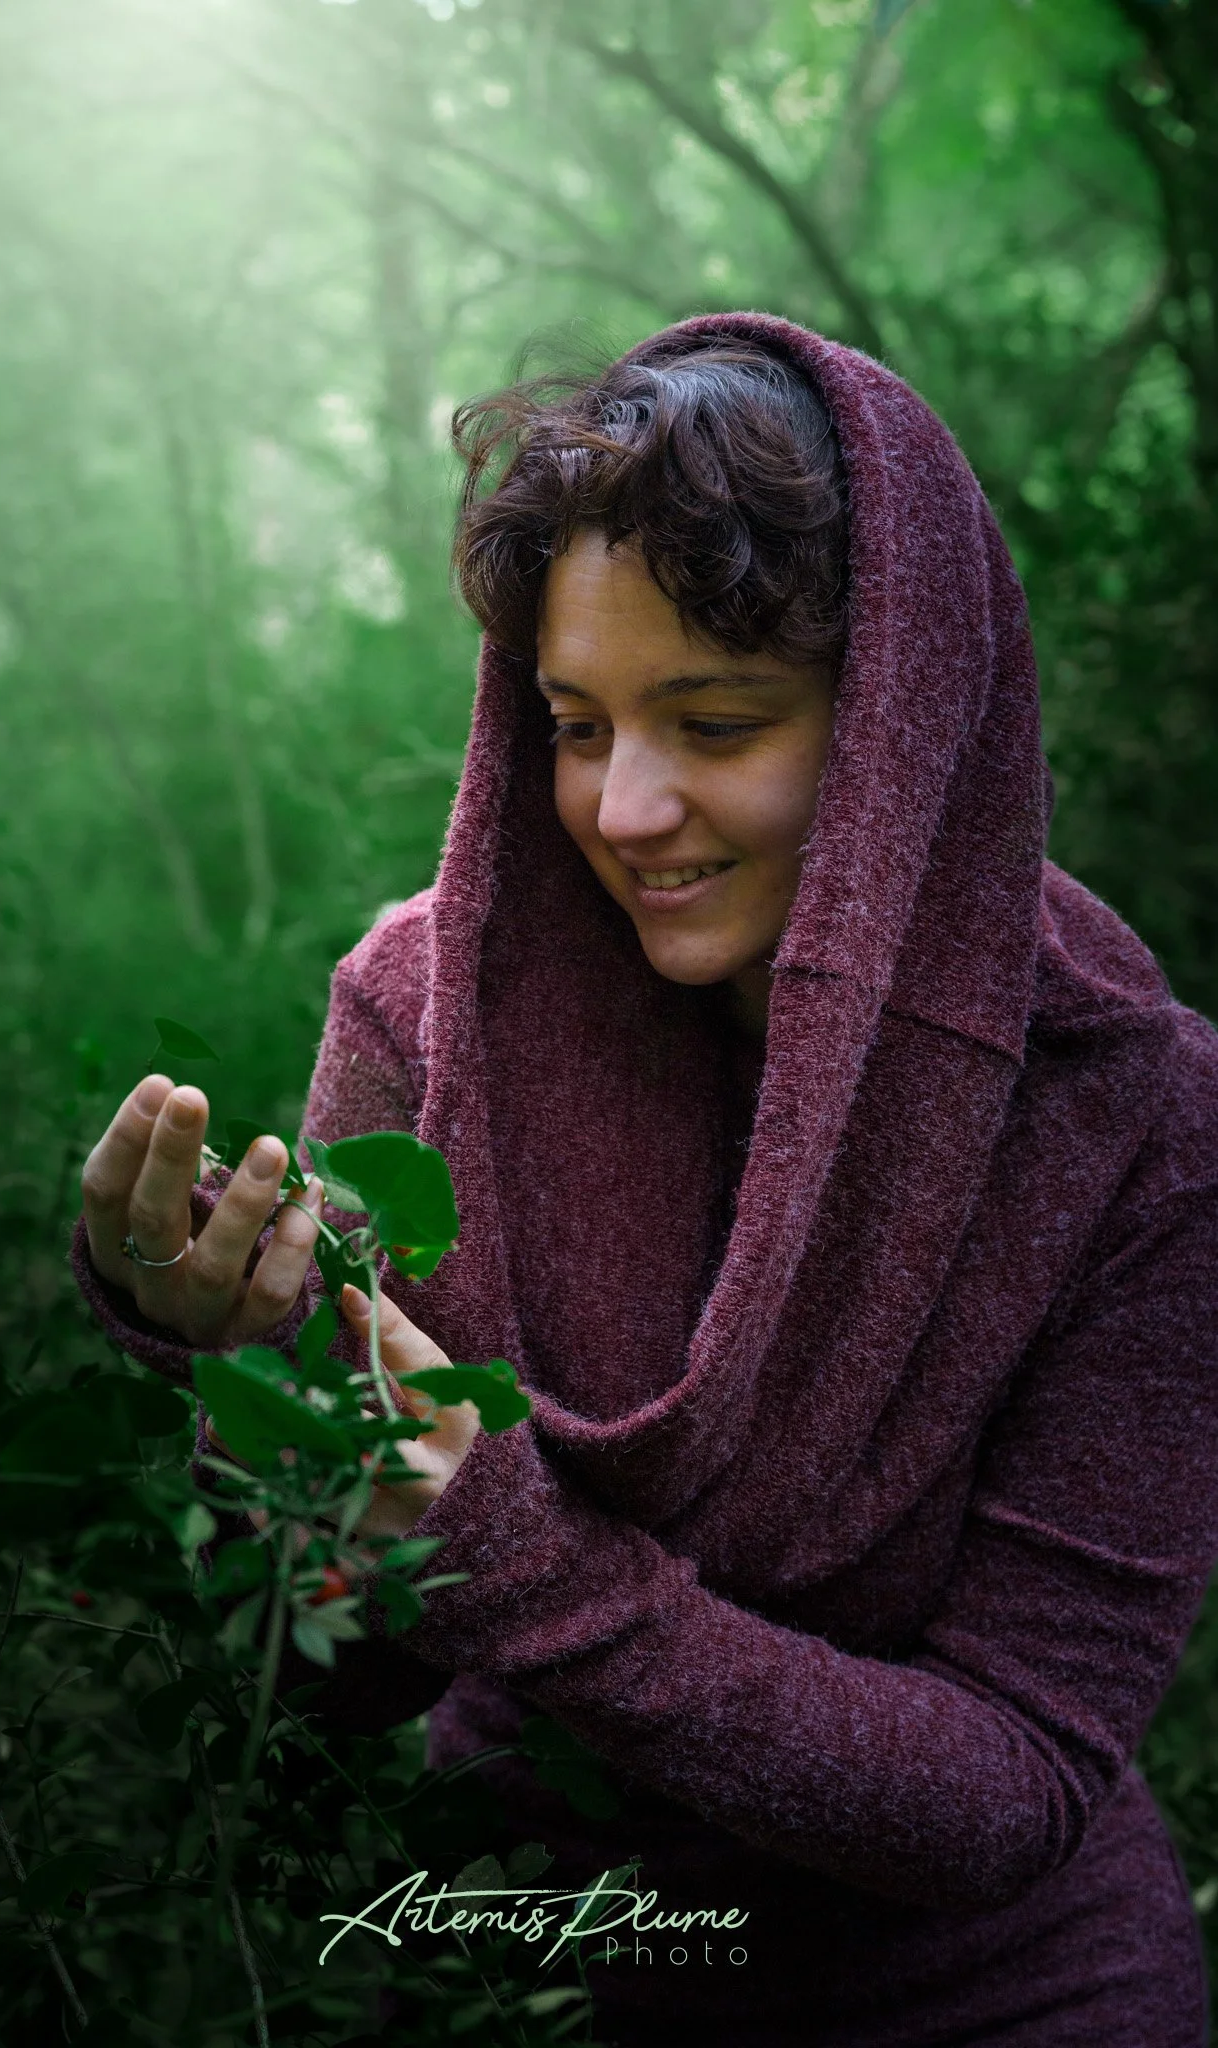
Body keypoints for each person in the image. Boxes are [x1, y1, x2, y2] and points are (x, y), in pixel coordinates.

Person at [72, 312, 1218, 2046]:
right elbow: (343, 1679)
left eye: (716, 718)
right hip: (544, 1963)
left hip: (998, 1994)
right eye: (576, 721)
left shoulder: (1131, 1111)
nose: (621, 807)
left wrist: (515, 1557)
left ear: (908, 728)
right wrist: (258, 1358)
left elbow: (1012, 1787)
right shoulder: (421, 1009)